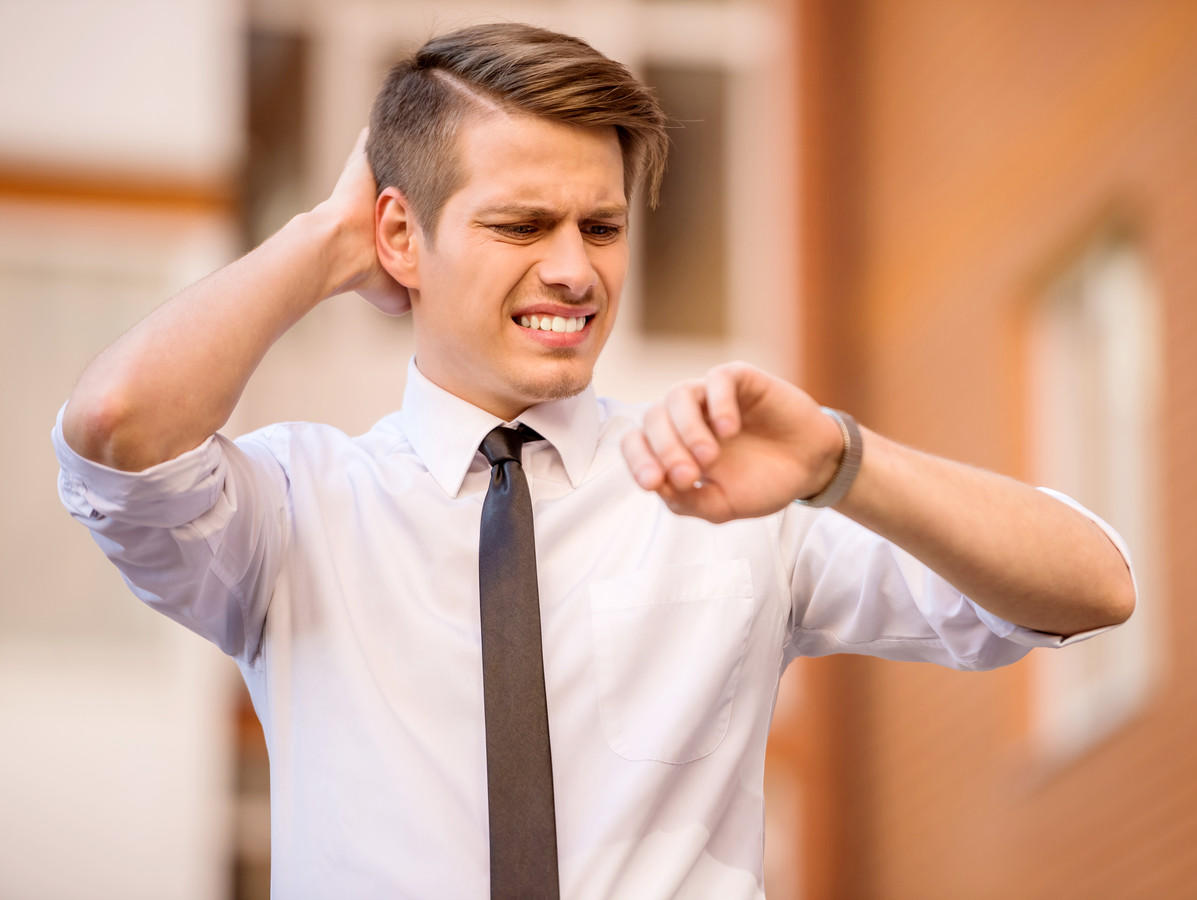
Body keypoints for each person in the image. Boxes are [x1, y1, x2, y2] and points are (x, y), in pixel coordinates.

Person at [53, 22, 1135, 900]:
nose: (574, 272)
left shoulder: (726, 480)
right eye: (522, 225)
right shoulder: (298, 506)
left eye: (602, 228)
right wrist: (329, 242)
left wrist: (840, 462)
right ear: (400, 236)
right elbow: (117, 426)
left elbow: (1092, 586)